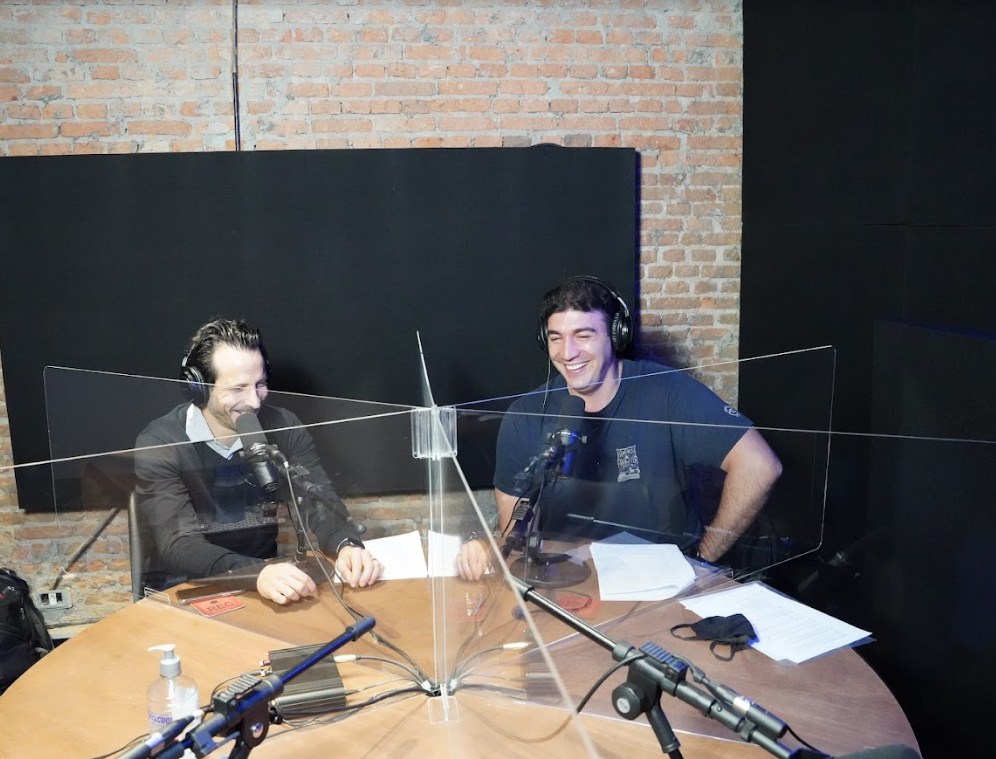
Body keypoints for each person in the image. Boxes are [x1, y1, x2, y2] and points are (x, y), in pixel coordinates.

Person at [457, 276, 782, 581]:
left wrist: (702, 559)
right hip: (567, 581)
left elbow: (760, 465)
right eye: (556, 338)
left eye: (583, 335)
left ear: (616, 336)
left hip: (661, 583)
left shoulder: (667, 392)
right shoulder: (526, 415)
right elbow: (515, 532)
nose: (567, 353)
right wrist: (488, 548)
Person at [134, 318, 383, 605]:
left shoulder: (283, 426)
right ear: (198, 388)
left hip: (266, 584)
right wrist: (255, 573)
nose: (254, 401)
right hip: (187, 589)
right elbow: (179, 543)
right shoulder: (161, 442)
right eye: (238, 388)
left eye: (260, 384)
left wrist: (345, 545)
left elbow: (318, 499)